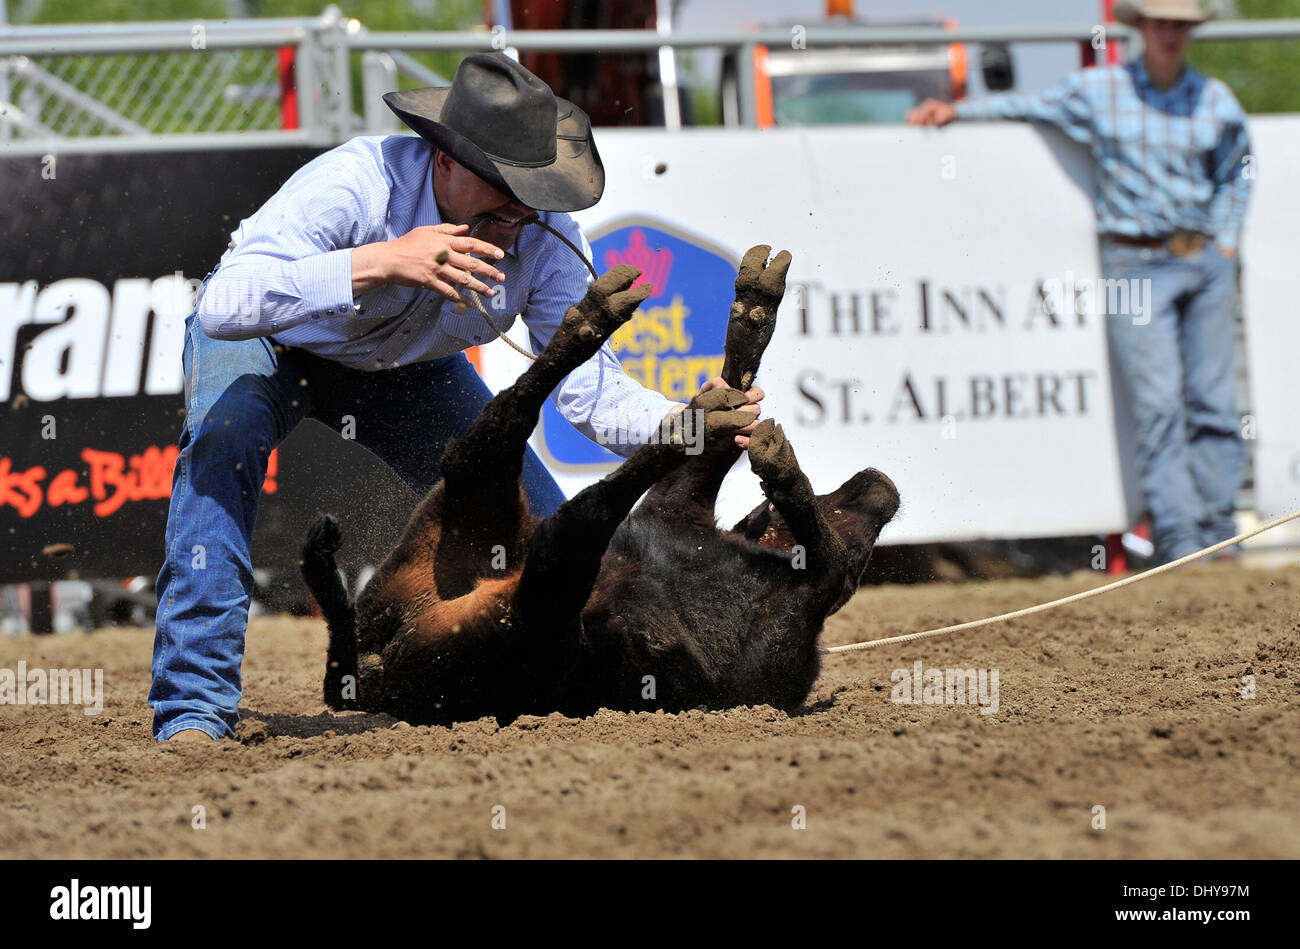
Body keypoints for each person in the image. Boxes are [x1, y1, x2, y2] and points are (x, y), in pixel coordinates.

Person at [151, 53, 762, 742]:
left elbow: (593, 397)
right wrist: (382, 260)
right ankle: (192, 708)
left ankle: (560, 685)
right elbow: (224, 305)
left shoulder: (546, 237)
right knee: (223, 438)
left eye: (528, 197)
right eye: (502, 191)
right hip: (274, 344)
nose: (517, 218)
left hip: (408, 373)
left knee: (551, 551)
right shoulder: (356, 184)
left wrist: (684, 425)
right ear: (444, 162)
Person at [907, 0, 1252, 565]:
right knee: (1161, 402)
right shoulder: (1102, 91)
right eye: (1163, 23)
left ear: (1190, 31)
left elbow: (1239, 167)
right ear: (1143, 28)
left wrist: (1228, 238)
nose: (1171, 34)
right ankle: (1182, 539)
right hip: (1135, 262)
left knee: (1214, 402)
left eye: (1180, 25)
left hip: (1203, 260)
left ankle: (1219, 531)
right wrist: (956, 112)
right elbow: (1026, 104)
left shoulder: (1213, 98)